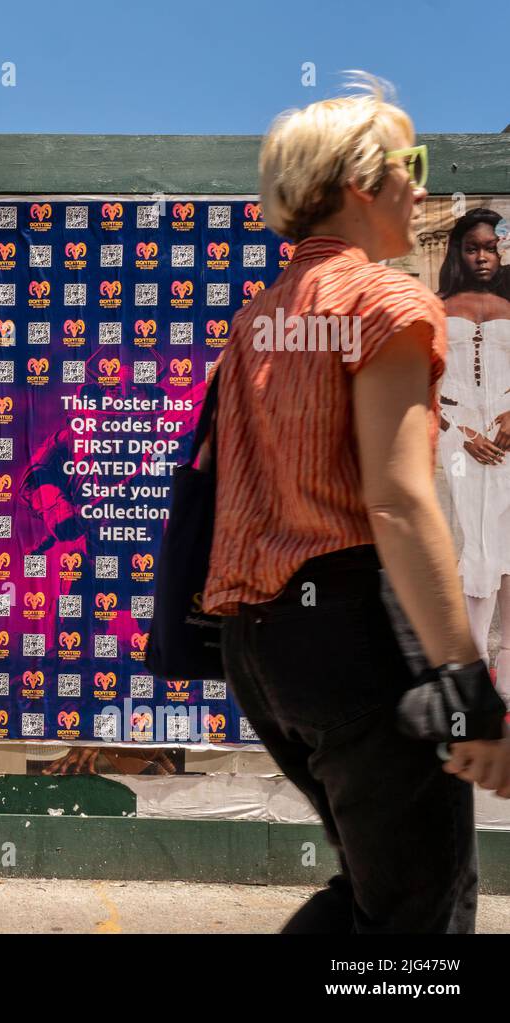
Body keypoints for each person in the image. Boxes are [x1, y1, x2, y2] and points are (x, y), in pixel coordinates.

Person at [200, 74, 510, 933]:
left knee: (376, 897)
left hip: (261, 648)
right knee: (423, 918)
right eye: (409, 162)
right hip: (355, 635)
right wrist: (465, 679)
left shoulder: (257, 318)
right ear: (358, 183)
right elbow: (401, 499)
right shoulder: (389, 300)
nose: (423, 181)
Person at [436, 209, 510, 682]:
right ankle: (473, 662)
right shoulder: (435, 306)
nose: (483, 257)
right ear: (458, 252)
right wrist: (461, 432)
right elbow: (419, 382)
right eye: (472, 248)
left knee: (506, 543)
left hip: (508, 433)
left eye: (491, 247)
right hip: (458, 438)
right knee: (471, 544)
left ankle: (505, 669)